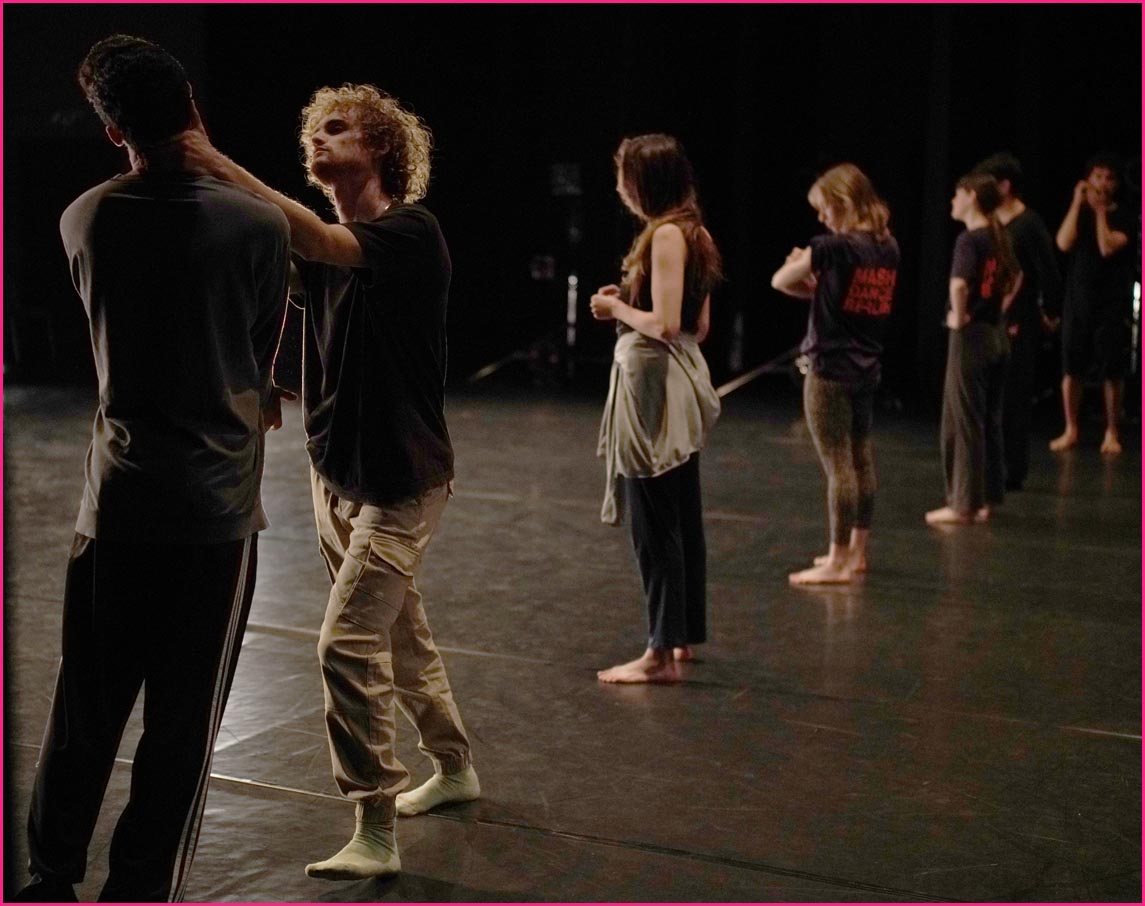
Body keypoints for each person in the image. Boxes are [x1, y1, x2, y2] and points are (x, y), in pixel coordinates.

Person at [179, 83, 479, 881]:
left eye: (337, 128)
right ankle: (454, 765)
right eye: (313, 130)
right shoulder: (324, 255)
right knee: (399, 633)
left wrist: (209, 157)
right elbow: (282, 282)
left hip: (400, 481)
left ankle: (374, 824)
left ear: (380, 148)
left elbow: (311, 239)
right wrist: (266, 377)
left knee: (346, 645)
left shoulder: (409, 233)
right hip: (334, 472)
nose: (317, 139)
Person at [17, 35, 290, 903]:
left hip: (120, 504)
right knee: (182, 725)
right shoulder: (260, 226)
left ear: (112, 131)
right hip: (213, 513)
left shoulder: (85, 217)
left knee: (84, 710)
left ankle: (49, 876)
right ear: (193, 109)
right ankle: (137, 892)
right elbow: (260, 362)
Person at [591, 134, 722, 684]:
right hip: (680, 380)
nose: (620, 188)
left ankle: (659, 655)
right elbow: (699, 326)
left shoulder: (666, 234)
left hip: (654, 388)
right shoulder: (696, 233)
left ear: (643, 182)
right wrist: (630, 299)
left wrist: (616, 307)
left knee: (655, 521)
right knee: (681, 512)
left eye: (625, 177)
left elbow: (666, 325)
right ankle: (680, 635)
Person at [771, 163, 900, 584]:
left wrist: (803, 264)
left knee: (838, 467)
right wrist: (819, 285)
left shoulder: (834, 247)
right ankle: (856, 553)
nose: (821, 217)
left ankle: (836, 560)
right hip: (867, 367)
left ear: (843, 202)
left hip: (829, 370)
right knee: (861, 458)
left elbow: (779, 281)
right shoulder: (887, 246)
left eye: (825, 208)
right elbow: (849, 298)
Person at [926, 173, 1022, 525]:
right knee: (988, 420)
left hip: (972, 338)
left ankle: (962, 505)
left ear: (971, 196)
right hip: (997, 334)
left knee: (962, 421)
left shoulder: (970, 239)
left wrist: (960, 316)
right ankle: (987, 499)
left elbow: (959, 284)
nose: (953, 201)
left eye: (957, 194)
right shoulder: (999, 236)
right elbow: (1016, 276)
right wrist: (998, 308)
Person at [970, 153, 1063, 489]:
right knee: (990, 392)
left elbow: (1048, 269)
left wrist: (1050, 312)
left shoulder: (1028, 223)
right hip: (992, 314)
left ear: (1005, 186)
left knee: (1014, 392)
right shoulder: (991, 222)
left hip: (1020, 315)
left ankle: (1013, 469)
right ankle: (991, 466)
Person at [1050, 153, 1134, 454]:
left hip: (1111, 301)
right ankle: (1071, 429)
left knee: (1111, 368)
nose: (1102, 183)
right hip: (1078, 299)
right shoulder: (1080, 212)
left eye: (1109, 178)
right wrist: (1077, 203)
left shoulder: (1125, 214)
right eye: (1097, 176)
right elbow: (1063, 243)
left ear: (1116, 183)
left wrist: (1100, 212)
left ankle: (1111, 431)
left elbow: (1107, 246)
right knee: (1071, 365)